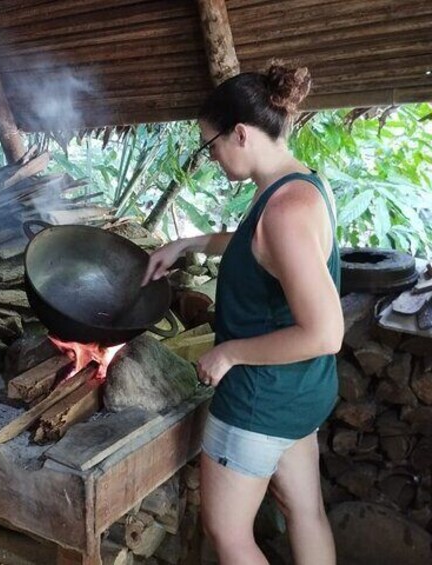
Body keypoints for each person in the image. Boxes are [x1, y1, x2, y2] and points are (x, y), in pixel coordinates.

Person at [144, 64, 341, 565]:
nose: (211, 157)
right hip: (300, 392)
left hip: (259, 401)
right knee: (307, 513)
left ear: (240, 132)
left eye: (211, 145)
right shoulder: (299, 185)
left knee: (228, 535)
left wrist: (230, 352)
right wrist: (191, 243)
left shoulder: (284, 211)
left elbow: (325, 333)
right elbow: (259, 247)